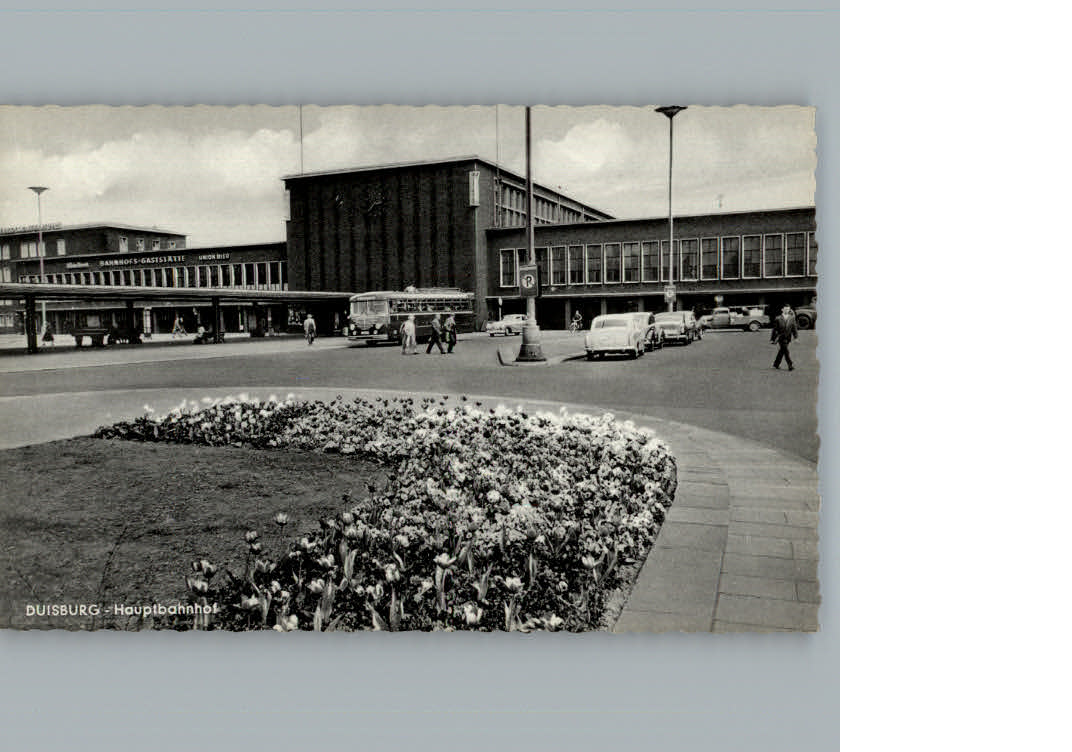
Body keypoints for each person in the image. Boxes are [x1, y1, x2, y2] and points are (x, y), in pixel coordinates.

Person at [770, 304, 799, 371]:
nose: (787, 310)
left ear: (789, 310)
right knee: (786, 351)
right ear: (782, 309)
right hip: (780, 337)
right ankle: (790, 365)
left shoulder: (792, 318)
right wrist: (772, 339)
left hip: (788, 338)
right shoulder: (778, 318)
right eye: (785, 309)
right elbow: (774, 330)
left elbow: (794, 328)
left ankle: (776, 364)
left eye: (788, 309)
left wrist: (796, 337)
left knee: (782, 351)